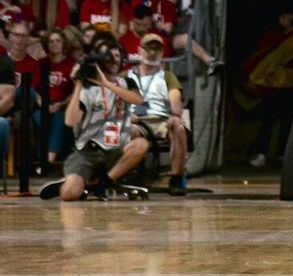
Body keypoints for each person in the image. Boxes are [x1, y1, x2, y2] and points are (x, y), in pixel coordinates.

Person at [41, 51, 149, 201]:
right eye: (108, 58)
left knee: (140, 143)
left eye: (116, 57)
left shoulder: (127, 82)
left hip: (115, 148)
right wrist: (78, 84)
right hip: (87, 151)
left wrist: (106, 83)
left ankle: (103, 183)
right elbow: (70, 121)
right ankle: (72, 184)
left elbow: (138, 101)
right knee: (70, 194)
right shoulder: (86, 89)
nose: (113, 61)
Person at [126, 34, 189, 195]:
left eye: (157, 49)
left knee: (179, 128)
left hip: (160, 120)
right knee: (128, 130)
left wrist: (175, 115)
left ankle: (176, 179)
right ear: (140, 50)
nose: (153, 53)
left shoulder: (167, 76)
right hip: (136, 120)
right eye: (149, 49)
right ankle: (130, 176)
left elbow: (175, 96)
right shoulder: (126, 76)